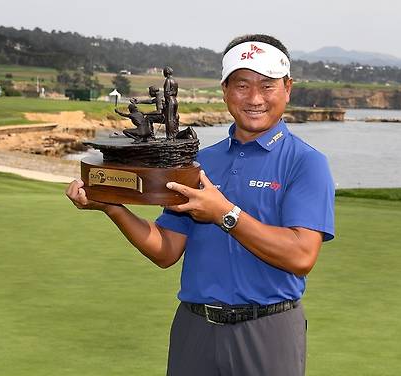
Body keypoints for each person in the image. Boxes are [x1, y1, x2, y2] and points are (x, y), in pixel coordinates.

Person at [65, 34, 335, 376]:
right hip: (195, 327)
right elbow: (166, 250)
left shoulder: (306, 163)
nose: (254, 98)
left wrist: (224, 213)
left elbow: (301, 256)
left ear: (287, 88)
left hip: (268, 329)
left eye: (267, 86)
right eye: (241, 85)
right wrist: (113, 208)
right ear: (224, 89)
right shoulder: (198, 162)